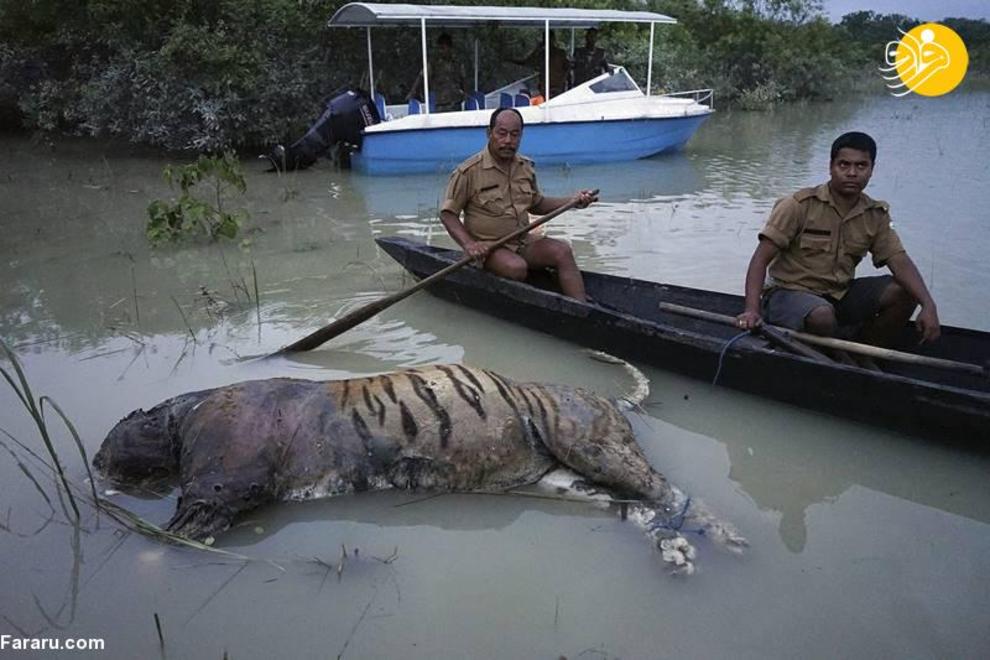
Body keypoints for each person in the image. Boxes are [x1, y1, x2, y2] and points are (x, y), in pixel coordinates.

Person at [736, 131, 939, 348]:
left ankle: (863, 353)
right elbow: (760, 259)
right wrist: (751, 309)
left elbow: (899, 260)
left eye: (861, 166)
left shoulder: (875, 214)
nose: (852, 173)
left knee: (906, 292)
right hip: (788, 294)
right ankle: (838, 350)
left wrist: (928, 304)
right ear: (831, 167)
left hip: (838, 295)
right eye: (844, 165)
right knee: (822, 317)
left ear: (872, 170)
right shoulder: (799, 205)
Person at [440, 108, 597, 302]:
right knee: (516, 267)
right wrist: (470, 245)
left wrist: (572, 201)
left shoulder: (526, 167)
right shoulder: (468, 172)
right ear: (489, 133)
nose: (508, 140)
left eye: (515, 135)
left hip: (522, 242)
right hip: (489, 248)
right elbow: (448, 214)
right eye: (502, 133)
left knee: (562, 250)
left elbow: (537, 204)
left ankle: (581, 309)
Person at [407, 33, 466, 112]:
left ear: (450, 48)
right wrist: (412, 93)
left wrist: (466, 95)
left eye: (443, 48)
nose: (441, 51)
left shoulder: (458, 64)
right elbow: (422, 77)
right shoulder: (434, 64)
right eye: (439, 48)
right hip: (441, 105)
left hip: (456, 104)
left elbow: (463, 80)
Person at [511, 32, 570, 98]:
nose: (548, 42)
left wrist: (562, 82)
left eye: (549, 39)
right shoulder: (542, 54)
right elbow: (528, 62)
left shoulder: (560, 53)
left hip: (557, 86)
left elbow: (567, 69)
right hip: (545, 86)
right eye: (545, 39)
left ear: (553, 40)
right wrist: (537, 49)